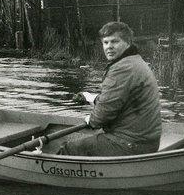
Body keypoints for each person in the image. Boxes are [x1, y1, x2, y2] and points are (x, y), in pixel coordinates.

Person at [57, 21, 161, 156]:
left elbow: (103, 114)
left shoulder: (122, 68)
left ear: (127, 42)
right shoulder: (135, 60)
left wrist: (92, 119)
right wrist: (92, 98)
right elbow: (120, 99)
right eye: (105, 43)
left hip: (130, 144)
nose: (109, 47)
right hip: (147, 141)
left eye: (114, 42)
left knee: (68, 149)